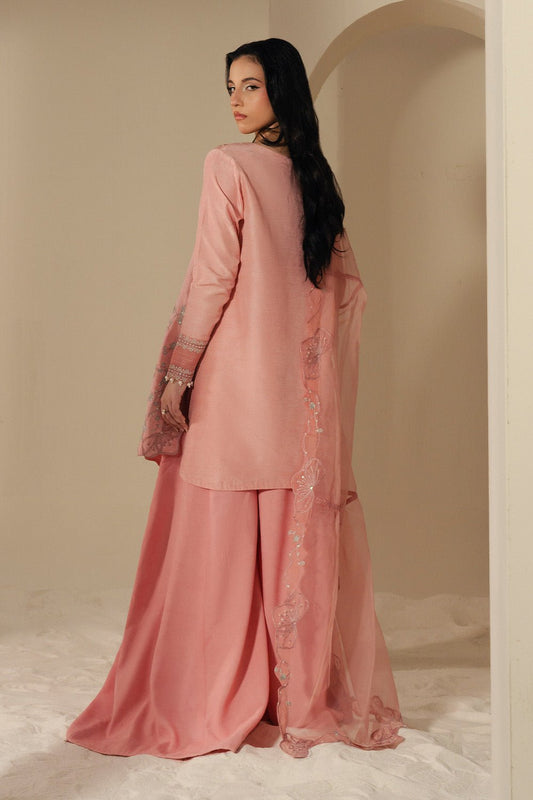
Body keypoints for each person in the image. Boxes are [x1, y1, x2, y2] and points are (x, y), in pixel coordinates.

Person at [66, 37, 404, 760]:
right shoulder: (315, 180)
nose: (236, 101)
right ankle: (290, 697)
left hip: (230, 390)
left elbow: (214, 277)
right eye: (230, 88)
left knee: (218, 554)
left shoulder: (228, 164)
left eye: (250, 86)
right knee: (286, 550)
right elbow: (339, 295)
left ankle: (213, 692)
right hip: (298, 405)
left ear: (281, 89)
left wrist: (178, 375)